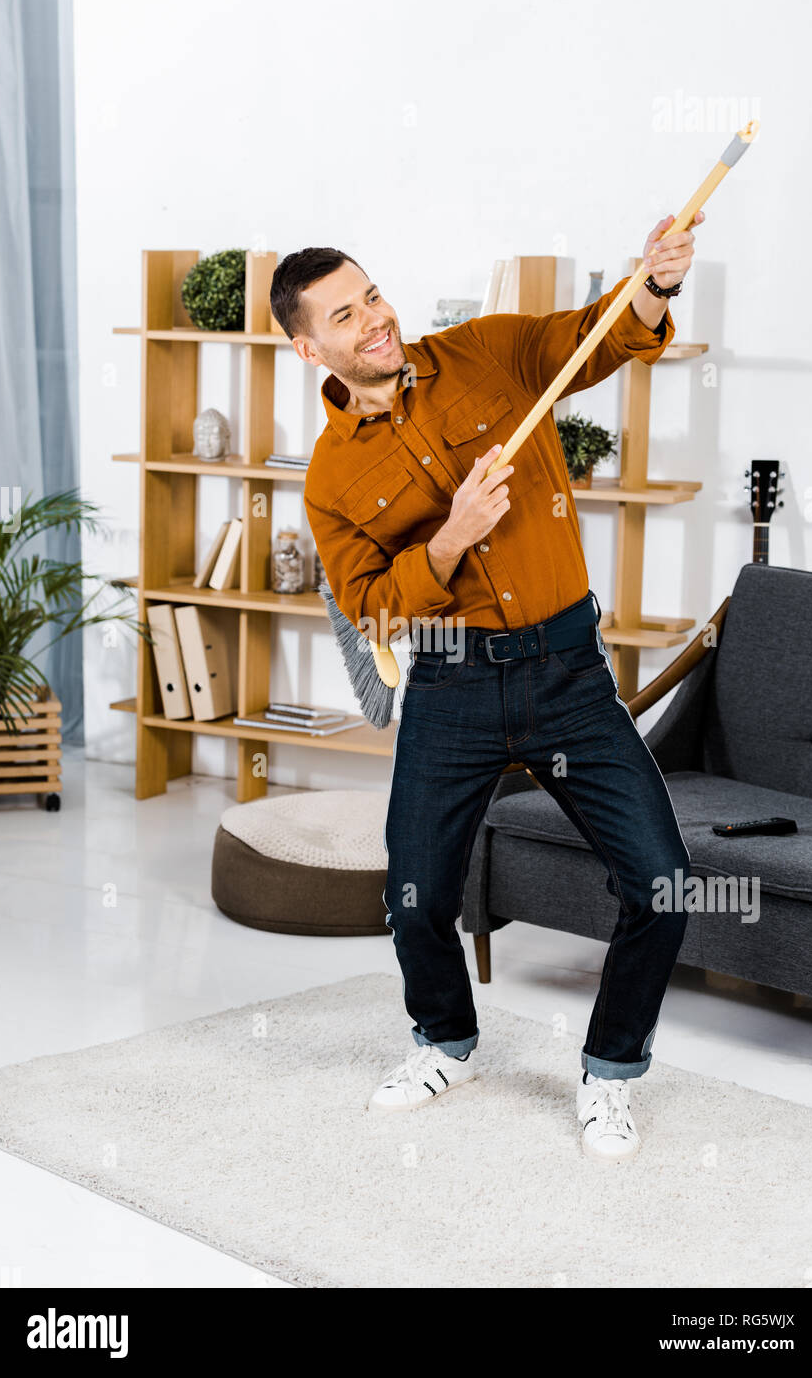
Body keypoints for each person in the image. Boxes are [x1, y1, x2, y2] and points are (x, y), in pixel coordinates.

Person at [270, 211, 703, 1162]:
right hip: (452, 687)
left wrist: (656, 284)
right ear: (310, 349)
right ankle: (445, 1042)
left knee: (664, 885)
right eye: (346, 315)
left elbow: (600, 334)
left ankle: (609, 1073)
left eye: (374, 293)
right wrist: (451, 536)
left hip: (568, 673)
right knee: (415, 894)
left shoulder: (489, 354)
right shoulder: (332, 479)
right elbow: (376, 608)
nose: (376, 319)